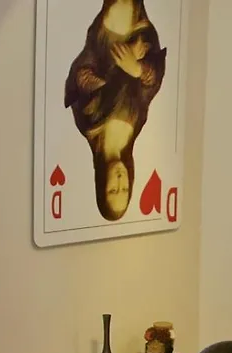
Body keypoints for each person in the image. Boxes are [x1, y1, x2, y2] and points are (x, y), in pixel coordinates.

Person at [64, 0, 166, 221]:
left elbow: (80, 79)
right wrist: (138, 69)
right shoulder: (135, 129)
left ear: (102, 183)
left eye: (113, 190)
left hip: (108, 33)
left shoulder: (89, 125)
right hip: (138, 28)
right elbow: (149, 90)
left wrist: (122, 65)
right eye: (125, 189)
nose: (120, 181)